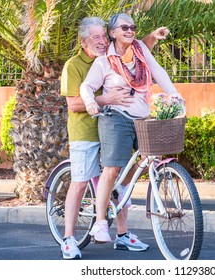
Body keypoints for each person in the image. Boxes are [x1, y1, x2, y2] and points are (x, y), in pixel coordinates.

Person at [60, 16, 169, 260]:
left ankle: (122, 235)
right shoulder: (74, 65)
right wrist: (106, 100)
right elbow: (73, 104)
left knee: (119, 179)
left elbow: (138, 49)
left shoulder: (113, 55)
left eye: (102, 36)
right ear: (84, 40)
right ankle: (68, 238)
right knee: (80, 182)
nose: (100, 41)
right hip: (86, 131)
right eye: (95, 37)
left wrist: (151, 36)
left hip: (114, 124)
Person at [80, 13, 184, 251]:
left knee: (148, 159)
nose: (130, 31)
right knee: (112, 168)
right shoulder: (104, 61)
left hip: (142, 118)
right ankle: (100, 224)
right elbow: (86, 86)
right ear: (113, 32)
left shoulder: (140, 51)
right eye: (124, 27)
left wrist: (174, 93)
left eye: (133, 27)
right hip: (116, 118)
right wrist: (91, 102)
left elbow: (158, 71)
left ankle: (120, 189)